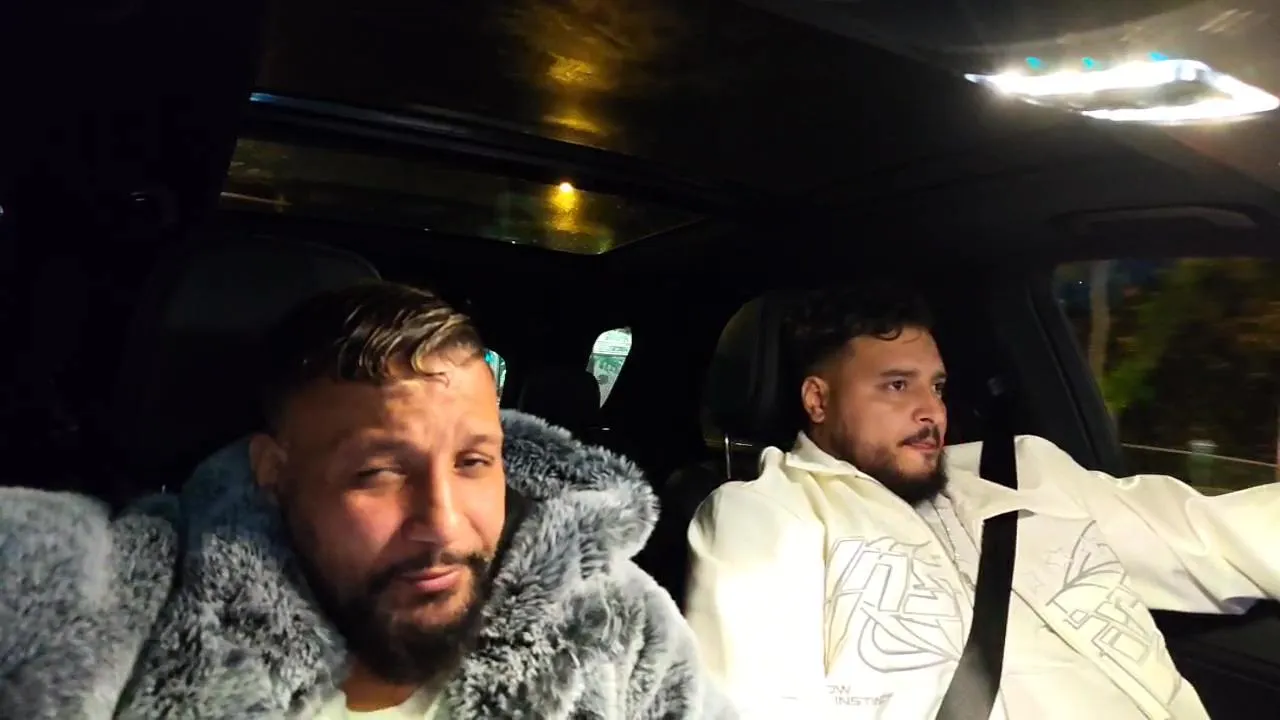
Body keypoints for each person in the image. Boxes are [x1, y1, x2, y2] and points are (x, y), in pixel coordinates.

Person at [0, 281, 732, 719]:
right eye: (378, 473)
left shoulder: (615, 621)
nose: (444, 524)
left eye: (474, 463)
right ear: (274, 470)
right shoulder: (126, 596)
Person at [684, 285, 1280, 720]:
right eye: (897, 385)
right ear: (818, 399)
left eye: (937, 387)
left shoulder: (1023, 471)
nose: (931, 411)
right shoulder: (766, 516)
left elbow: (1214, 536)